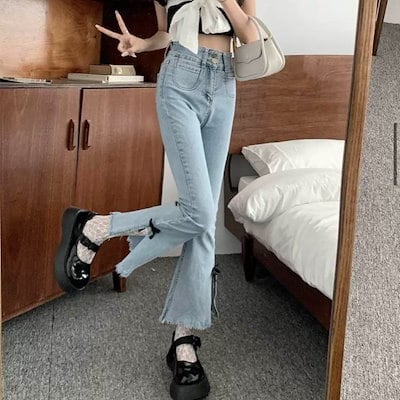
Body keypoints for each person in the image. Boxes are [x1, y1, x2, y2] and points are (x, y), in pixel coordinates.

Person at [54, 1, 257, 399]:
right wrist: (144, 43)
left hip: (225, 81)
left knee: (202, 217)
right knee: (200, 211)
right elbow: (168, 31)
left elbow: (249, 33)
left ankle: (184, 338)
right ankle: (97, 228)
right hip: (180, 76)